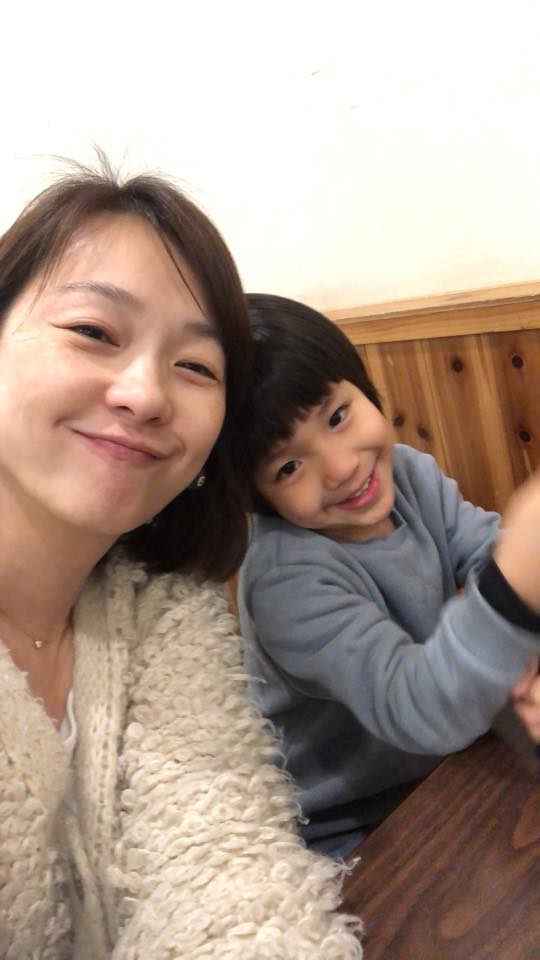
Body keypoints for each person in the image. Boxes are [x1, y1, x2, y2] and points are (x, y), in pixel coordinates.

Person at [0, 168, 363, 959]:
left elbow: (230, 874)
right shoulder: (292, 581)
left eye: (195, 367)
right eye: (93, 331)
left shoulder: (165, 616)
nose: (145, 394)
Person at [238, 293, 540, 861]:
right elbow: (413, 704)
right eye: (289, 466)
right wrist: (513, 594)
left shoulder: (409, 474)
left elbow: (486, 555)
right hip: (345, 826)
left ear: (364, 386)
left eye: (337, 416)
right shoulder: (286, 583)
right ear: (259, 499)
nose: (342, 466)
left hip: (444, 761)